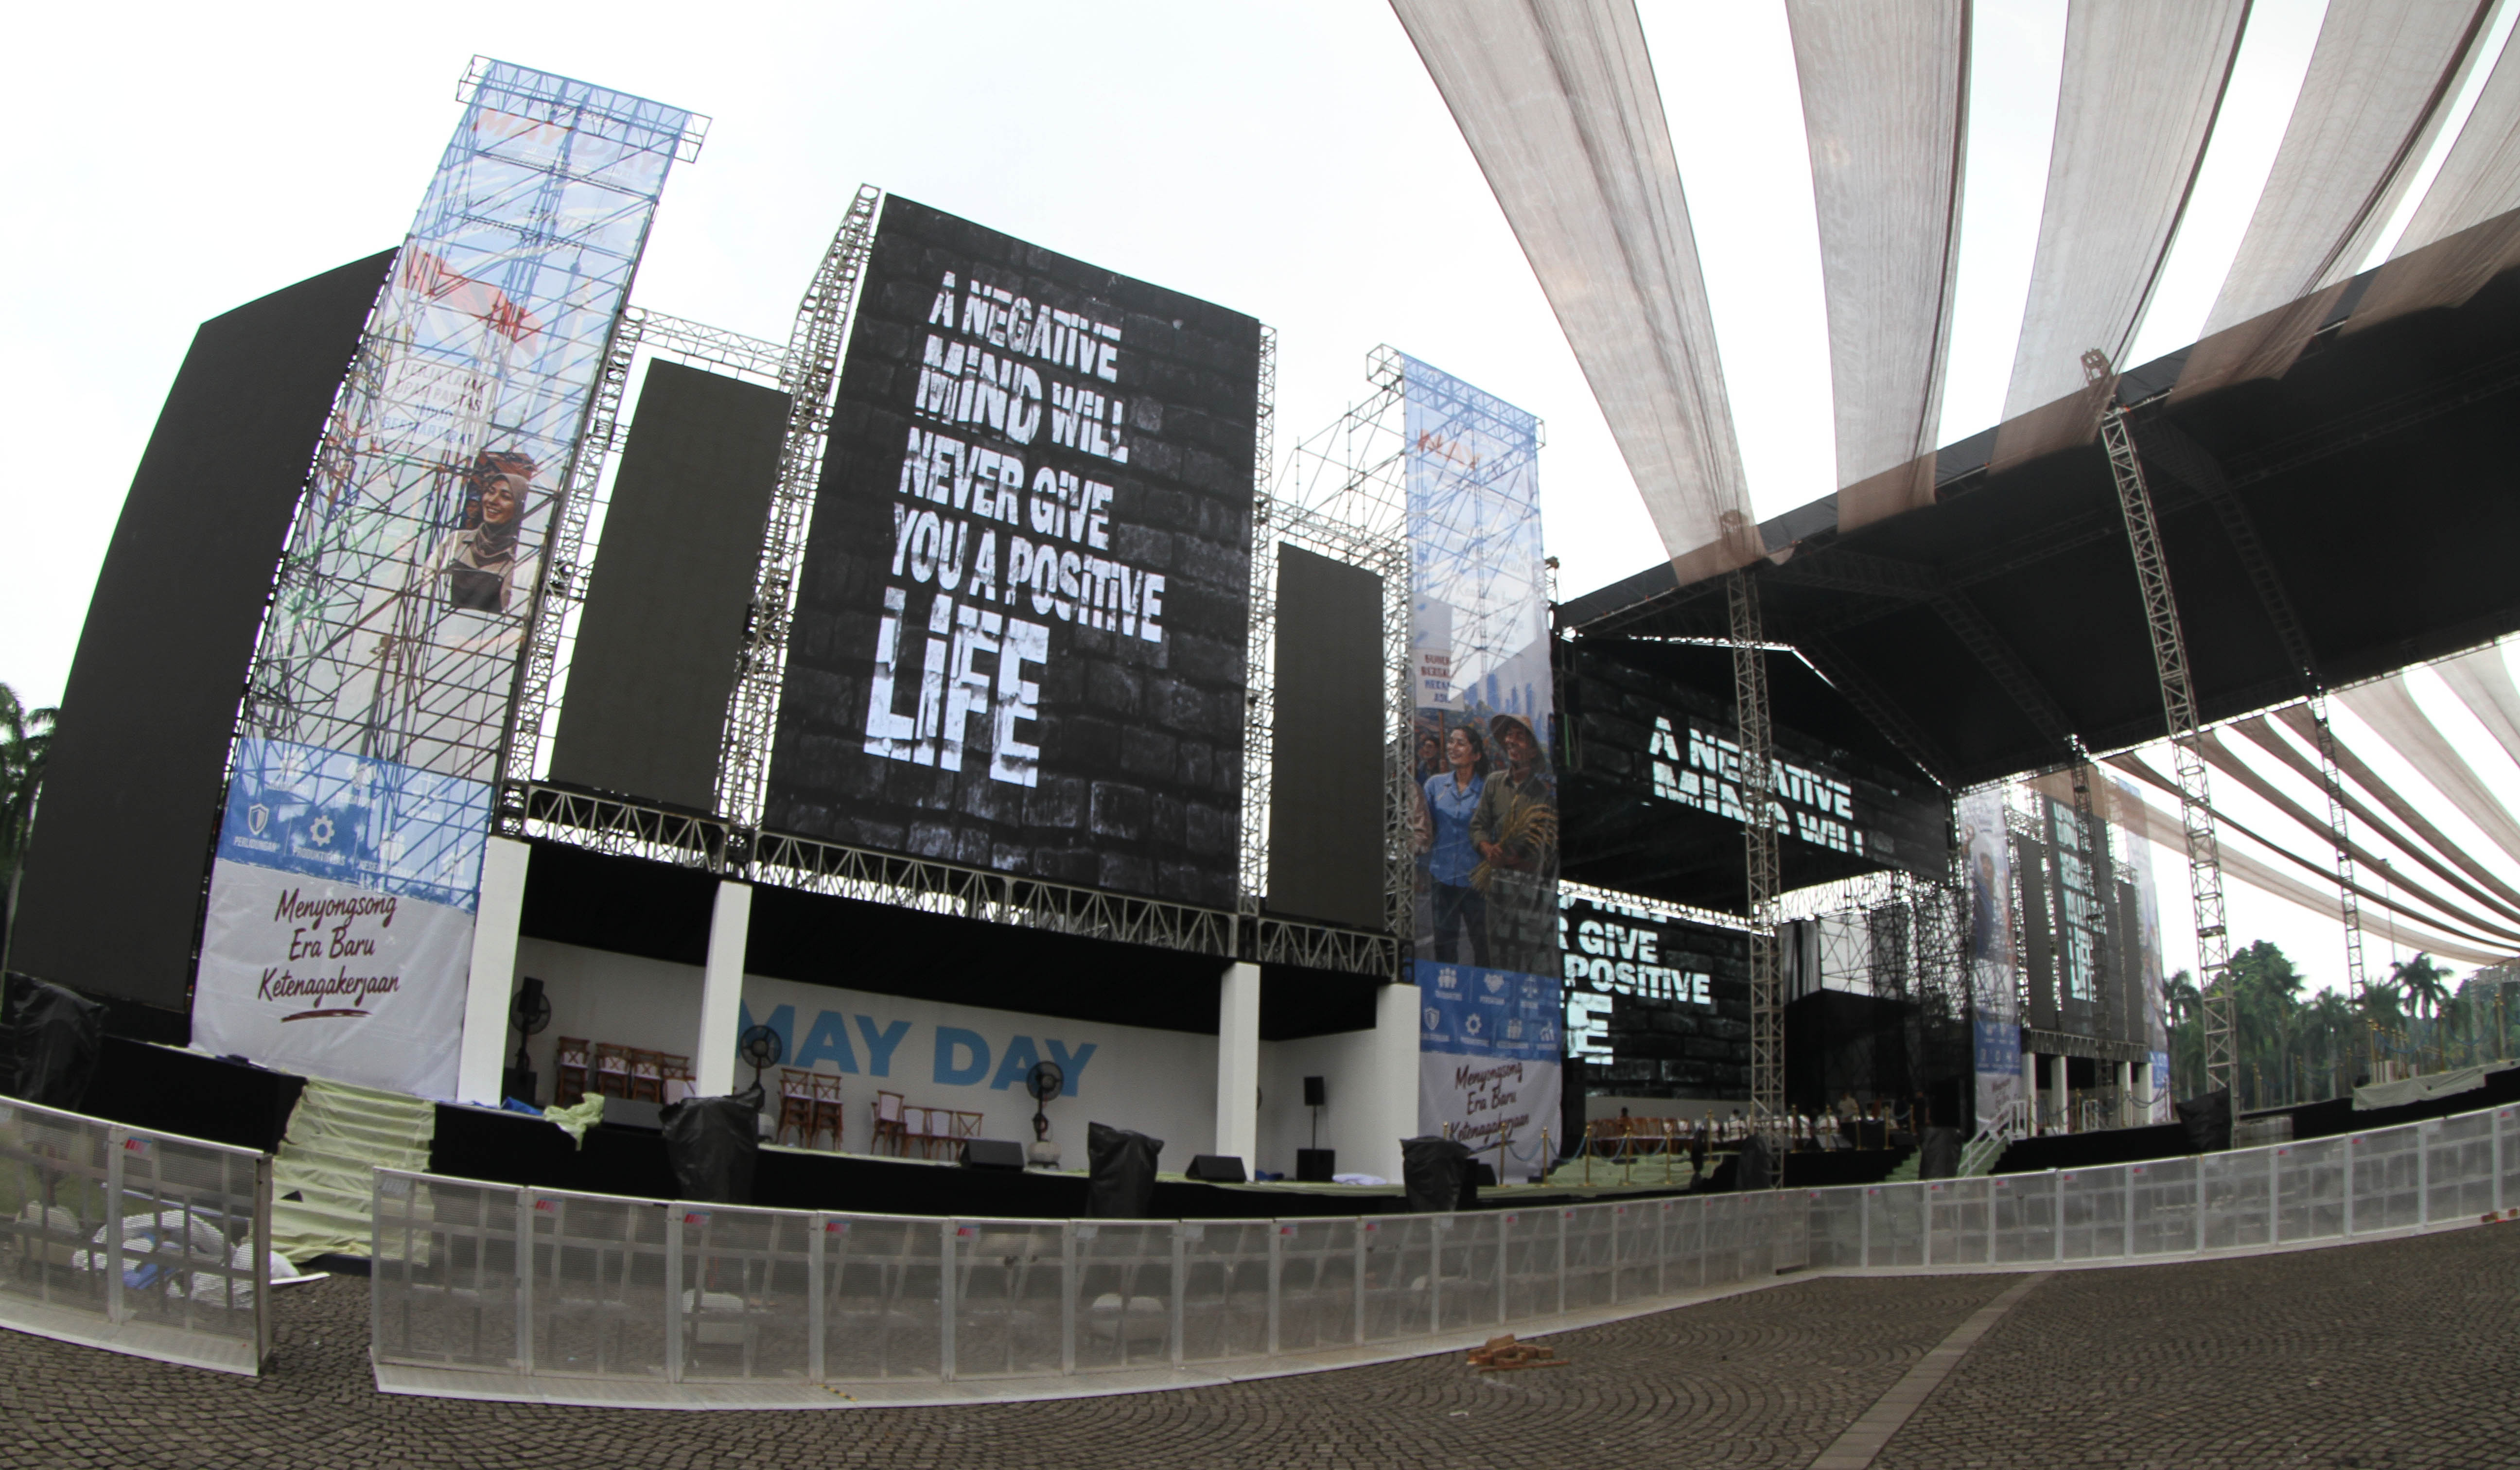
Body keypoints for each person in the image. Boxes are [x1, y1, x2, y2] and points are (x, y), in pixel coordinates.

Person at [1470, 712, 1558, 974]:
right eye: (1510, 735)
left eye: (1520, 737)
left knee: (1526, 960)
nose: (1512, 741)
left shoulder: (1543, 799)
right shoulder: (1494, 783)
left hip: (1530, 896)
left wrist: (1514, 862)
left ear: (1532, 751)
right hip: (1497, 891)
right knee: (1499, 956)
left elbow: (1548, 858)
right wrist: (1487, 849)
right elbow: (1477, 826)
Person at [435, 449, 539, 614]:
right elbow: (424, 589)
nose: (493, 501)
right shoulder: (456, 541)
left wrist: (474, 641)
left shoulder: (524, 562)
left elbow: (518, 621)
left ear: (520, 508)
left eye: (505, 497)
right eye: (491, 492)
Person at [1422, 724, 1489, 966]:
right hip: (1441, 876)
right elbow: (1424, 830)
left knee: (1481, 942)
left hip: (1475, 881)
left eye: (1461, 743)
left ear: (1476, 754)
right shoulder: (1434, 786)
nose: (1453, 747)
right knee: (1444, 942)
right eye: (1451, 742)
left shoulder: (1487, 791)